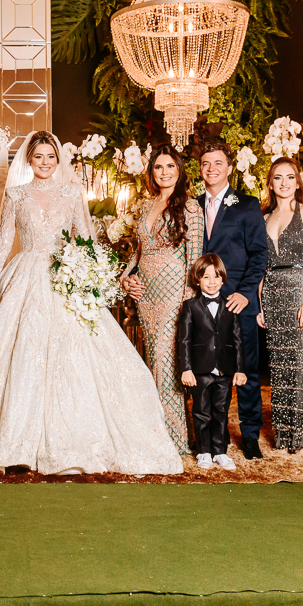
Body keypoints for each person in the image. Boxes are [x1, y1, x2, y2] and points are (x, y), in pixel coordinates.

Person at [0, 131, 182, 475]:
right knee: (21, 353)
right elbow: (4, 242)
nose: (46, 163)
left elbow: (85, 239)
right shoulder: (16, 195)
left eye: (51, 156)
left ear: (58, 159)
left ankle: (73, 441)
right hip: (25, 276)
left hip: (67, 275)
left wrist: (96, 280)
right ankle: (15, 444)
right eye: (39, 157)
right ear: (29, 160)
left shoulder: (70, 192)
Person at [120, 145, 205, 454]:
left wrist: (189, 300)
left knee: (168, 363)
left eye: (170, 166)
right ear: (151, 172)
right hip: (146, 293)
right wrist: (127, 277)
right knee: (151, 360)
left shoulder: (192, 208)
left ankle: (175, 440)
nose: (165, 172)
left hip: (174, 294)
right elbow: (139, 250)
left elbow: (195, 258)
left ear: (179, 170)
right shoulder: (146, 206)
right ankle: (152, 432)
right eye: (159, 167)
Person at [197, 140, 269, 460]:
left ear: (229, 168)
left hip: (239, 301)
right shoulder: (192, 205)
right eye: (205, 164)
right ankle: (218, 430)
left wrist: (244, 291)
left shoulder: (247, 204)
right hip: (205, 304)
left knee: (247, 370)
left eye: (217, 163)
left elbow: (259, 254)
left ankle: (251, 433)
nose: (211, 169)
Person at [257, 158, 303, 455]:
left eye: (290, 177)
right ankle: (286, 436)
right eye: (278, 177)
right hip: (273, 295)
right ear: (271, 183)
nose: (284, 183)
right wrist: (260, 305)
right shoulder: (263, 219)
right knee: (281, 366)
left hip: (301, 291)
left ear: (298, 182)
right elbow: (261, 267)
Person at [177, 255, 247, 470]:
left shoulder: (230, 305)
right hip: (200, 369)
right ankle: (204, 451)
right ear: (197, 280)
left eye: (216, 276)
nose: (212, 281)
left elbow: (237, 340)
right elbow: (184, 339)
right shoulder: (190, 306)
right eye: (206, 277)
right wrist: (186, 368)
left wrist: (239, 369)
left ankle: (219, 452)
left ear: (223, 279)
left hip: (225, 370)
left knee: (221, 411)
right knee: (201, 411)